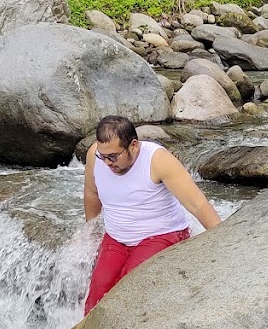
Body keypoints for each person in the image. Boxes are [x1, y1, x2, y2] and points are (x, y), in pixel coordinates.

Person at [83, 114, 221, 313]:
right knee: (97, 292)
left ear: (133, 146)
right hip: (117, 238)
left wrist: (224, 241)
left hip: (162, 235)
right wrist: (91, 232)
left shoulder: (158, 160)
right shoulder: (95, 156)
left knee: (129, 286)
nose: (107, 163)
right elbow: (91, 193)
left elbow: (197, 204)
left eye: (113, 157)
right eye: (103, 157)